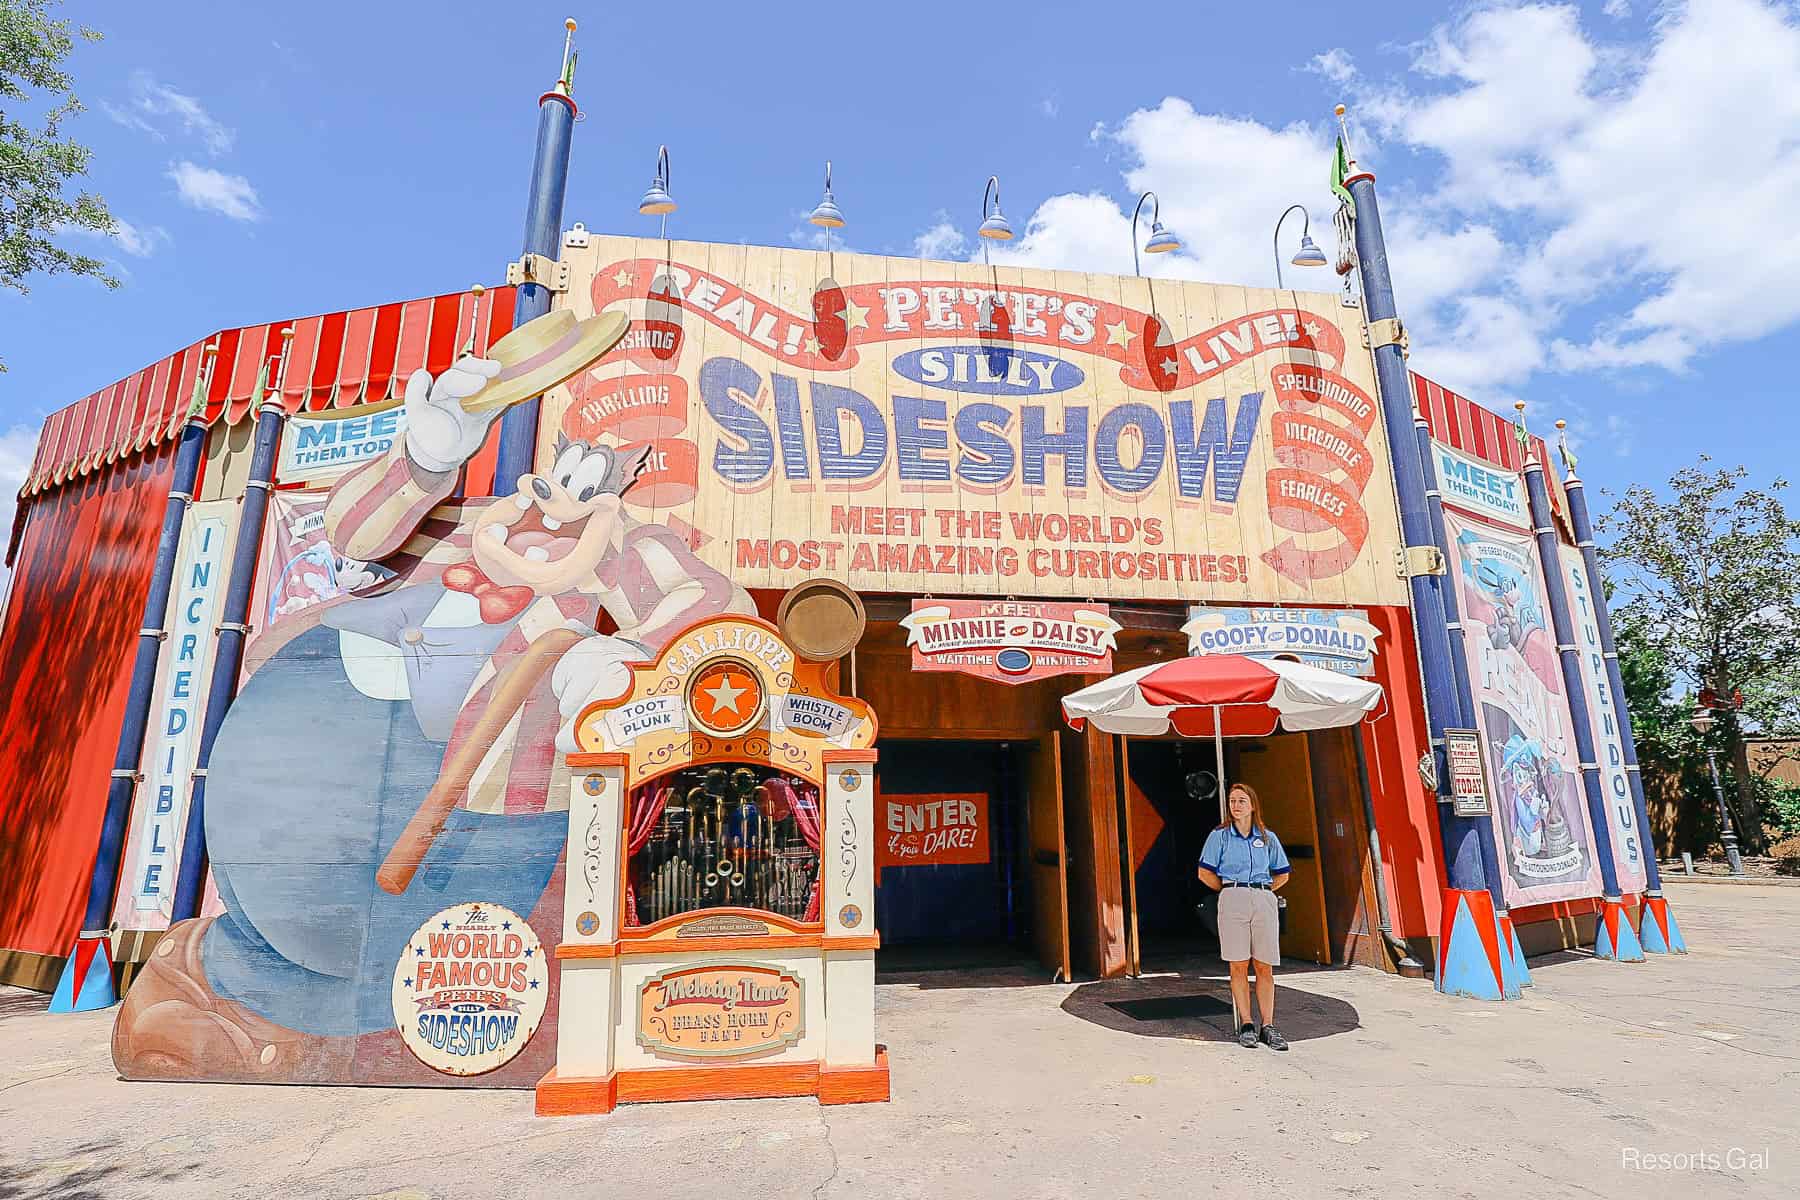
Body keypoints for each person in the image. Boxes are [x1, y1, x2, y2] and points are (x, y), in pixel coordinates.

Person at [1197, 782, 1291, 1050]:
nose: (1235, 805)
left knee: (1264, 965)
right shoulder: (1220, 836)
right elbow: (1204, 872)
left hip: (1263, 898)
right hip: (1232, 897)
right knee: (1238, 964)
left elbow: (1283, 872)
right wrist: (1230, 890)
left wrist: (1261, 891)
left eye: (1241, 800)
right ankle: (1247, 1023)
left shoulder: (1268, 837)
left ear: (1252, 805)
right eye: (1232, 800)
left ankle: (1269, 1025)